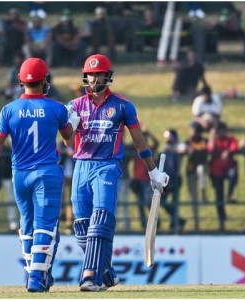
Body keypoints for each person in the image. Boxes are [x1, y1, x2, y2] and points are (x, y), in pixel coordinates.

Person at [65, 54, 169, 291]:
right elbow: (67, 140)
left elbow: (140, 141)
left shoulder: (122, 106)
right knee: (82, 226)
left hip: (107, 166)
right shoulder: (74, 106)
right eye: (90, 74)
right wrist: (68, 123)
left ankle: (90, 276)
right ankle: (107, 273)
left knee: (100, 222)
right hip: (81, 166)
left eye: (98, 74)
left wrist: (153, 172)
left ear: (107, 76)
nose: (93, 79)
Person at [0, 57, 79, 292]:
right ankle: (35, 277)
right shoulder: (56, 108)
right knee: (45, 225)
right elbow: (68, 138)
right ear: (45, 80)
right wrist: (73, 119)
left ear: (21, 81)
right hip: (47, 172)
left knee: (27, 225)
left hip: (19, 174)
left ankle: (38, 274)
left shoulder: (9, 109)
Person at [207, 122, 239, 231]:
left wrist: (227, 151)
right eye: (219, 131)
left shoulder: (230, 139)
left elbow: (235, 147)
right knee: (218, 197)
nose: (221, 133)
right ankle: (222, 222)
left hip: (228, 168)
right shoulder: (214, 141)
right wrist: (211, 136)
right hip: (216, 172)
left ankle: (229, 195)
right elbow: (210, 149)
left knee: (233, 173)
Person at [182, 123, 209, 231]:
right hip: (190, 171)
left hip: (202, 169)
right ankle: (196, 222)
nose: (192, 132)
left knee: (201, 169)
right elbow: (182, 149)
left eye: (194, 130)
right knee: (193, 199)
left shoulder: (204, 141)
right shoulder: (188, 142)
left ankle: (203, 193)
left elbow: (208, 150)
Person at [159, 129, 185, 233]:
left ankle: (174, 223)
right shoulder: (165, 148)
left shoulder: (178, 146)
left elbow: (183, 149)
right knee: (162, 201)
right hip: (166, 179)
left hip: (175, 178)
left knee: (174, 202)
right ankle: (178, 220)